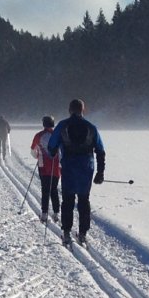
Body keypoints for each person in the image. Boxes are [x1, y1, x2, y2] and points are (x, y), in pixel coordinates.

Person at [46, 98, 106, 246]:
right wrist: (100, 172)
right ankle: (83, 233)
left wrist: (53, 152)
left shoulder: (62, 126)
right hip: (86, 168)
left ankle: (66, 232)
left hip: (69, 167)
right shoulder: (91, 127)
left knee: (68, 200)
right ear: (83, 110)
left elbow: (51, 146)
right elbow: (100, 150)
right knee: (84, 200)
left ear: (69, 110)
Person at [29, 115, 61, 221]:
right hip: (56, 167)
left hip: (43, 166)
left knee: (45, 189)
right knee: (54, 189)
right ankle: (56, 212)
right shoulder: (58, 136)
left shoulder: (38, 136)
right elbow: (62, 152)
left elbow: (33, 151)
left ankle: (44, 213)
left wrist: (38, 156)